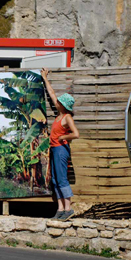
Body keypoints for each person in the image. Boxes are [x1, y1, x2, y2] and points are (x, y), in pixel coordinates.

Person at [41, 67, 79, 222]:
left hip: (61, 150)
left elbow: (76, 134)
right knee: (56, 179)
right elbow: (51, 93)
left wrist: (64, 136)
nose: (57, 102)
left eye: (59, 102)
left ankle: (68, 209)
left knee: (62, 178)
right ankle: (60, 209)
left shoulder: (67, 117)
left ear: (64, 106)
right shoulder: (59, 115)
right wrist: (45, 77)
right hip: (55, 150)